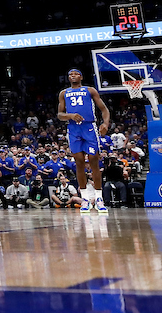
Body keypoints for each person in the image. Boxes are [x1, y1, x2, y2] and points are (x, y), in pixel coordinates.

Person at [57, 68, 111, 215]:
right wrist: (71, 115)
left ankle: (99, 199)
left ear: (81, 76)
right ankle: (85, 199)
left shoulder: (90, 90)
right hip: (74, 129)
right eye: (70, 74)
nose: (72, 76)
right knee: (79, 162)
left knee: (94, 160)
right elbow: (60, 114)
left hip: (89, 127)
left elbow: (104, 109)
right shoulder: (64, 93)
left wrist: (105, 123)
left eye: (75, 74)